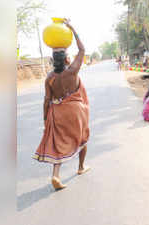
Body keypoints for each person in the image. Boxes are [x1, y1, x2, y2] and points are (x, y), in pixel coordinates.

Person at [33, 19, 90, 190]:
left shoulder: (49, 78)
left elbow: (46, 100)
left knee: (58, 143)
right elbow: (82, 49)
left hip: (57, 112)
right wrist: (72, 28)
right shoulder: (73, 71)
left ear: (52, 60)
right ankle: (81, 167)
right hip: (76, 111)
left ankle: (55, 175)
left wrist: (45, 119)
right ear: (66, 59)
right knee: (82, 138)